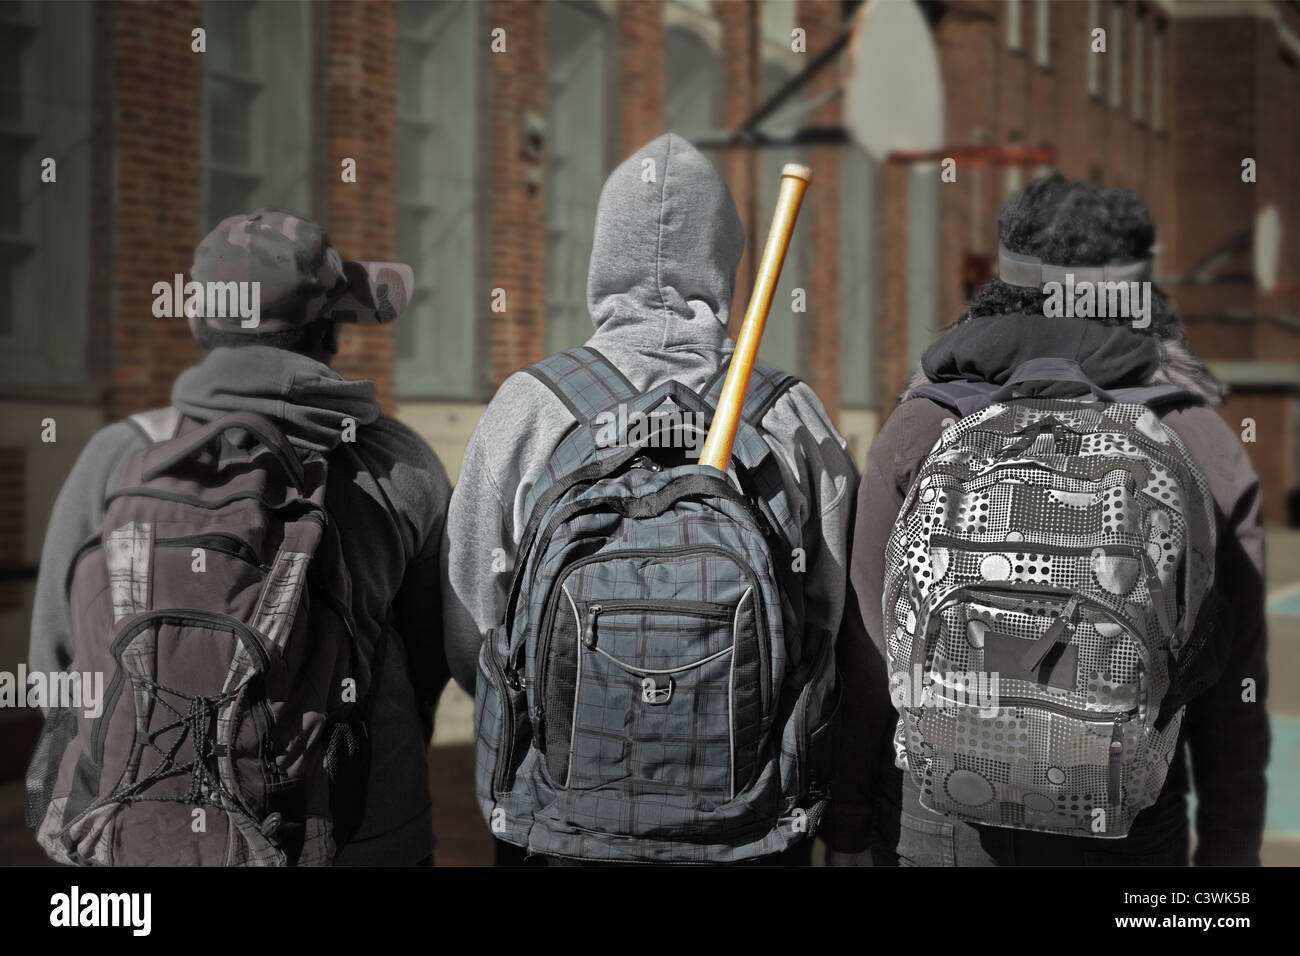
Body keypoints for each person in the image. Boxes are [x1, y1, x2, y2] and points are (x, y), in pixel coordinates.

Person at [441, 133, 869, 864]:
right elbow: (830, 626)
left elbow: (470, 634)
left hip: (562, 821)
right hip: (750, 825)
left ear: (602, 257)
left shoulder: (531, 408)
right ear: (726, 261)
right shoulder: (793, 416)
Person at [851, 174, 1269, 866]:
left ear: (1000, 277)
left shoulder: (921, 426)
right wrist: (1229, 859)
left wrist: (848, 824)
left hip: (940, 819)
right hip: (1125, 820)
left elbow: (871, 653)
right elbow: (1232, 692)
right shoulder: (1195, 440)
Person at [28, 209, 451, 865]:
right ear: (333, 330)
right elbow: (434, 657)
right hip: (354, 832)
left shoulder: (118, 459)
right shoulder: (397, 465)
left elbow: (55, 661)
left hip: (137, 836)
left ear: (201, 324)